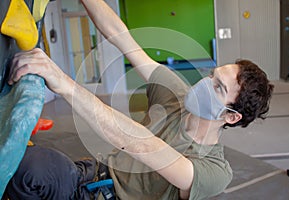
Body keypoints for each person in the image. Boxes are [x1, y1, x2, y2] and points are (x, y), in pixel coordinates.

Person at [5, 0, 274, 199]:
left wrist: (63, 82)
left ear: (231, 116)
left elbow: (140, 144)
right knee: (27, 168)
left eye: (217, 87)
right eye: (211, 75)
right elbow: (123, 39)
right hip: (91, 174)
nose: (203, 84)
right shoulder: (177, 94)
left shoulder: (214, 171)